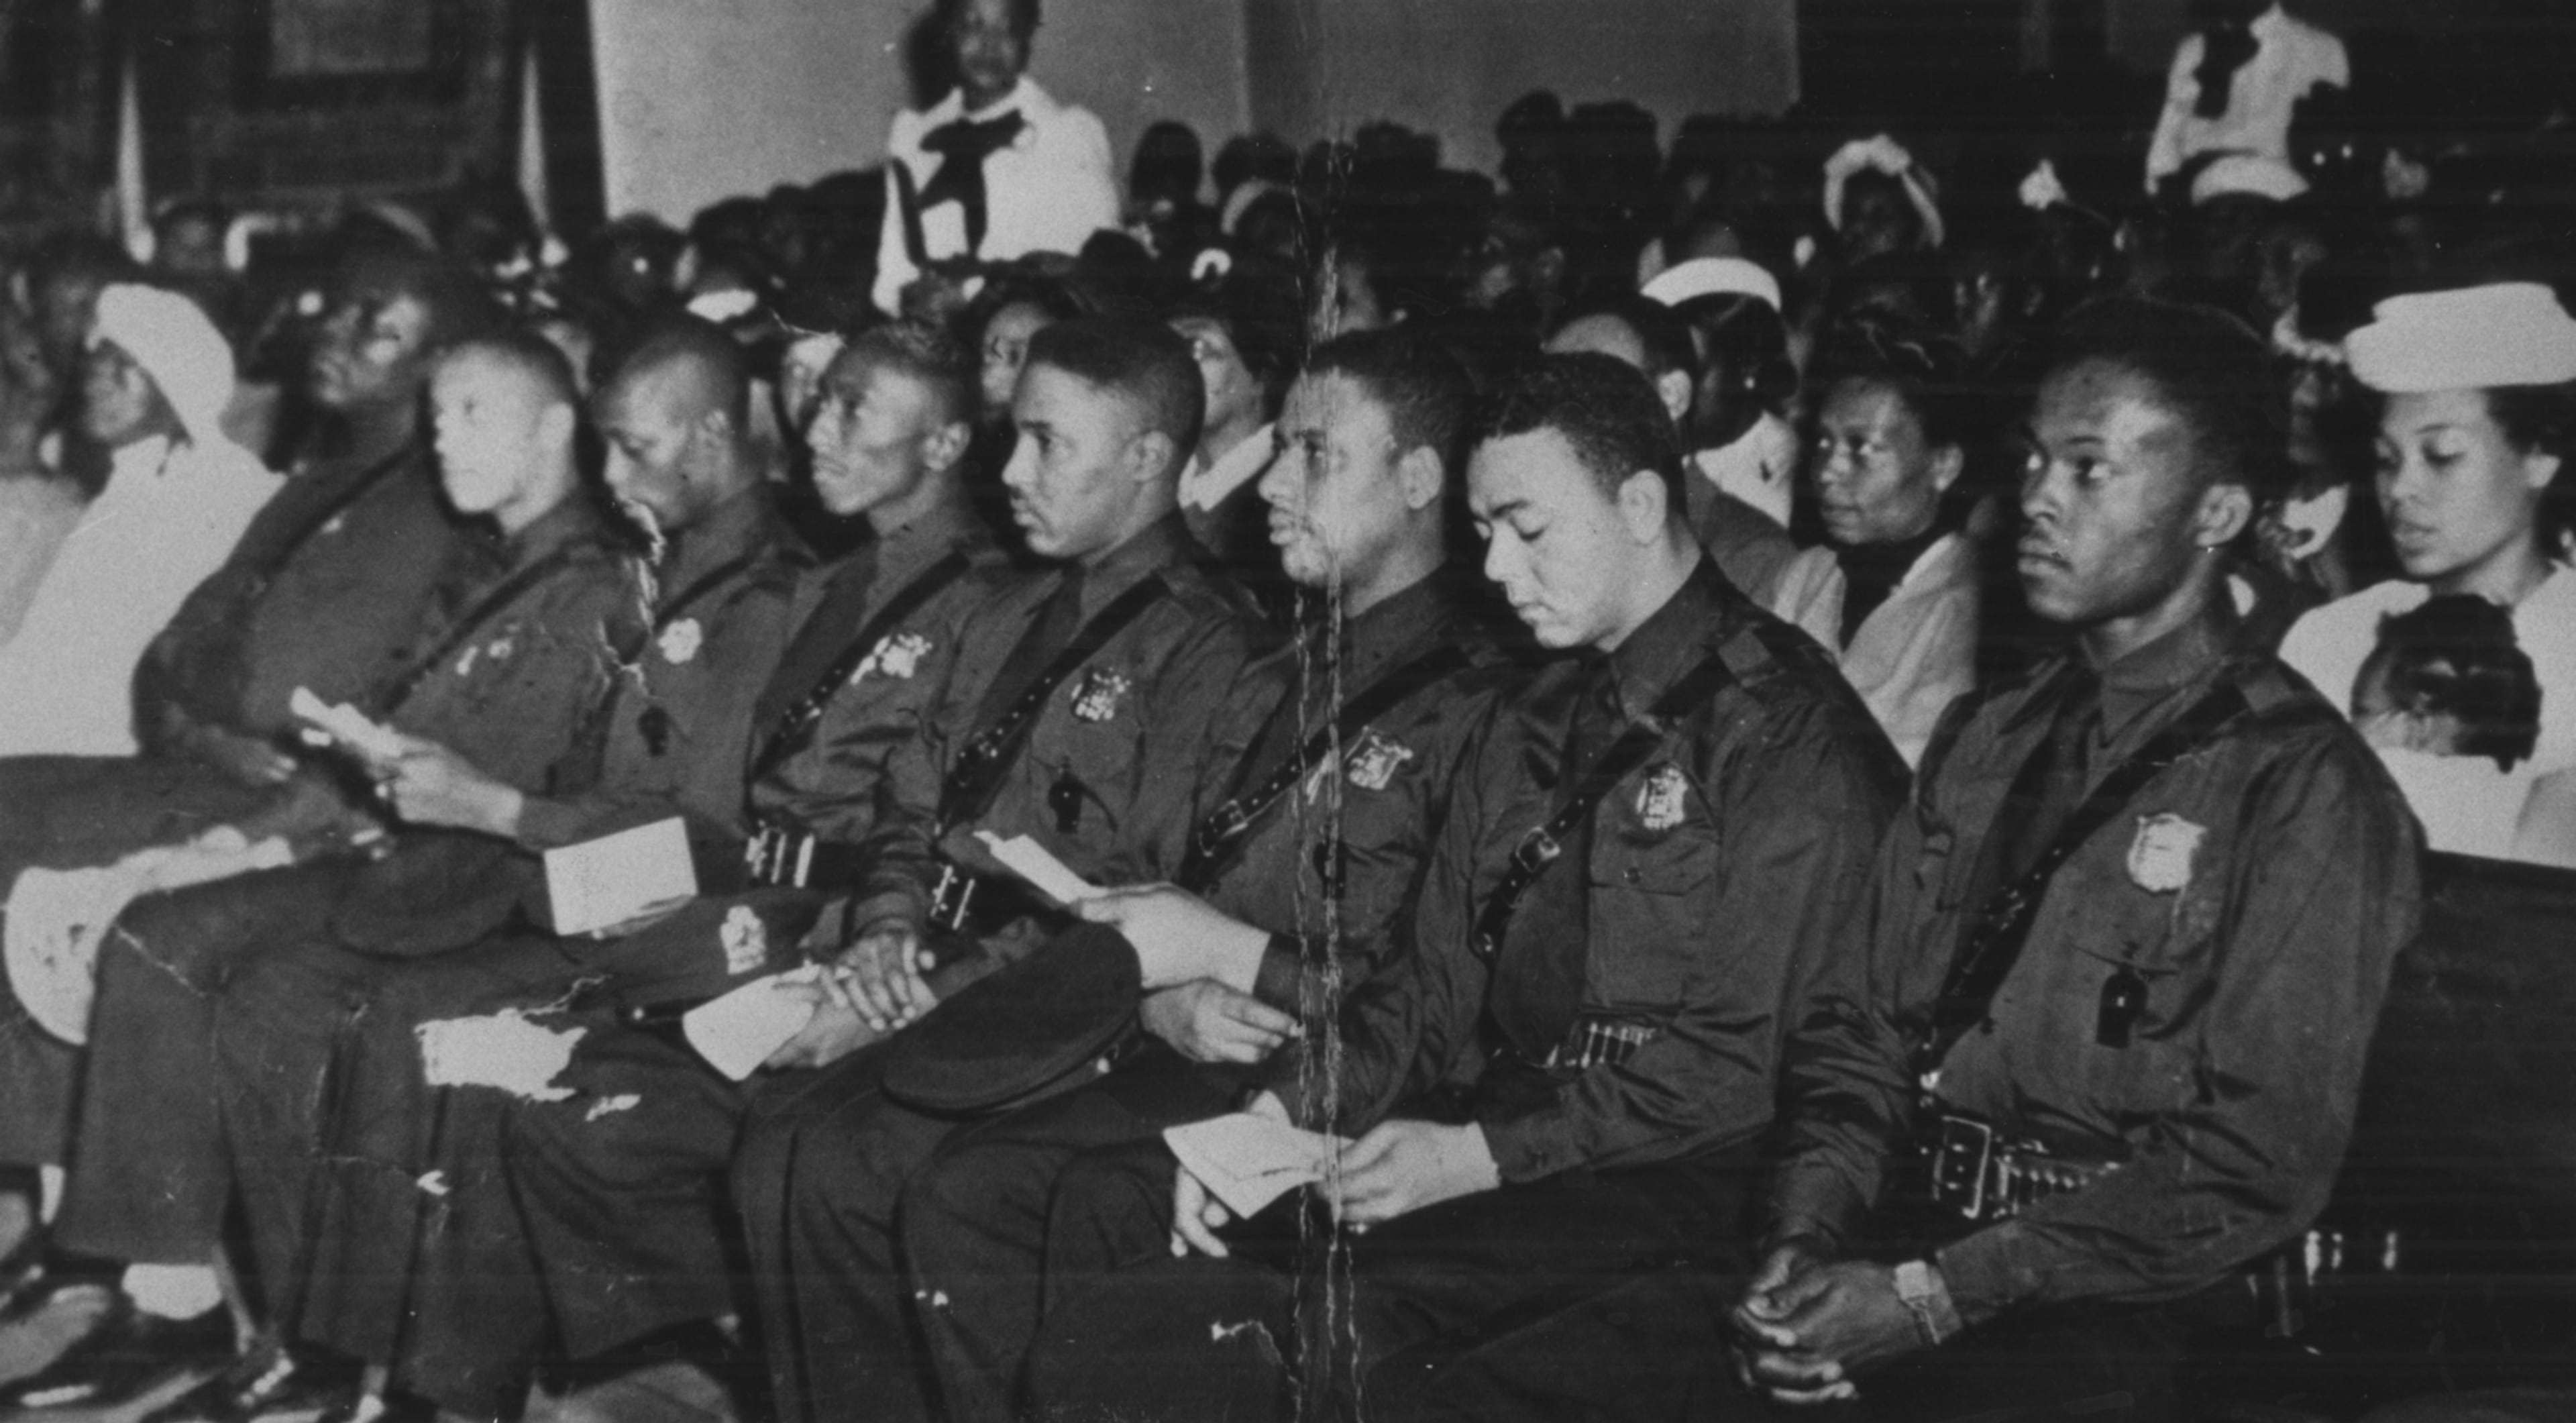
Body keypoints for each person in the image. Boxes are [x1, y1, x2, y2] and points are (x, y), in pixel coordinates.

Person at [1021, 353, 1904, 1422]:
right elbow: (1430, 984)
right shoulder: (1529, 718)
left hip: (1680, 1186)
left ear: (1637, 504)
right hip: (1512, 1143)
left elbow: (1732, 1067)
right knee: (1127, 1248)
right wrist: (1277, 1120)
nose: (1494, 569)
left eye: (1526, 530)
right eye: (1483, 532)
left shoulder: (1787, 734)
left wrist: (1479, 1156)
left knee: (1308, 1343)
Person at [741, 329, 1522, 1423]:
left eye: (1313, 456)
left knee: (944, 1184)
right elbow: (1161, 879)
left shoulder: (1484, 707)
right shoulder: (1279, 672)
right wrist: (1162, 990)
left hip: (1338, 1080)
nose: (1271, 487)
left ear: (1419, 479)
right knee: (843, 1155)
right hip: (1180, 1028)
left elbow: (1432, 999)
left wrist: (1200, 976)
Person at [1723, 297, 2420, 1421]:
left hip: (2134, 1310)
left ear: (2218, 510)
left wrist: (1934, 1296)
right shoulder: (1992, 735)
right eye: (2037, 459)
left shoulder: (2300, 789)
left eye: (2092, 469)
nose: (2039, 495)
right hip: (1912, 1234)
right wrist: (1807, 1232)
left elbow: (2249, 1161)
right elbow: (1860, 1028)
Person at [343, 320, 1016, 1422]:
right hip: (746, 907)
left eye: (857, 408)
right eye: (822, 398)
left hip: (831, 932)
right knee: (505, 1062)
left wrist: (519, 824)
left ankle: (621, 1360)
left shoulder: (977, 599)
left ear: (944, 444)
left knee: (514, 1057)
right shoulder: (833, 581)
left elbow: (885, 825)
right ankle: (482, 1384)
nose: (819, 426)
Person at [12, 330, 647, 1414]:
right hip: (396, 850)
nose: (445, 436)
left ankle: (198, 1307)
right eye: (438, 413)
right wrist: (243, 837)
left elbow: (475, 787)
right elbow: (385, 742)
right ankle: (181, 1293)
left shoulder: (590, 581)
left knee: (178, 947)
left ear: (556, 428)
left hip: (481, 881)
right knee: (160, 908)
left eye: (476, 413)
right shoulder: (486, 562)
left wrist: (270, 842)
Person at [207, 318, 805, 1413]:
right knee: (286, 991)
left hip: (655, 929)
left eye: (632, 447)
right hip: (554, 884)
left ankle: (425, 1384)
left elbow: (694, 844)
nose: (608, 472)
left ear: (714, 437)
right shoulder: (663, 566)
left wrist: (497, 812)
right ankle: (337, 1344)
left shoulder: (747, 599)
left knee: (400, 1023)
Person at [2279, 283, 2576, 780]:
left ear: (2539, 456)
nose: (2400, 488)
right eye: (2386, 460)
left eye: (2441, 455)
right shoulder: (2329, 638)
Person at [0, 284, 280, 757]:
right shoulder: (120, 483)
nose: (97, 380)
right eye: (96, 362)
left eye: (124, 368)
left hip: (103, 749)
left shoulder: (225, 492)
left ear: (176, 387)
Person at [1546, 295, 1845, 653]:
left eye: (1596, 390)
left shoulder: (1748, 554)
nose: (1562, 421)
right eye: (1548, 397)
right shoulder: (1535, 534)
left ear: (1671, 396)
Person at [870, 0, 1121, 315]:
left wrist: (970, 298)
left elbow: (1091, 269)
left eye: (1007, 28)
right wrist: (912, 299)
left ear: (1026, 39)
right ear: (948, 33)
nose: (989, 45)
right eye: (973, 25)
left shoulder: (1066, 133)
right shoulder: (915, 138)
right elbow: (892, 274)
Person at [1807, 329, 1982, 764]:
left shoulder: (1967, 612)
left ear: (1943, 464)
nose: (1828, 471)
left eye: (1862, 448)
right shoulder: (1807, 574)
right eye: (1823, 443)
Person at [2349, 594, 2544, 861]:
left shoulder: (2367, 803)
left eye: (2362, 711)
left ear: (2415, 727)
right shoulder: (2512, 813)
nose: (2349, 727)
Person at [2144, 0, 2348, 198]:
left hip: (2279, 199)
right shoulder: (2193, 51)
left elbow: (2327, 159)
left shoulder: (2321, 50)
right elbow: (2163, 154)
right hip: (2200, 196)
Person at [1171, 259, 1301, 567]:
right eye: (1165, 348)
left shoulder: (1281, 500)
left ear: (1262, 376)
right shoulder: (1157, 480)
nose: (1171, 366)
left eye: (1197, 348)